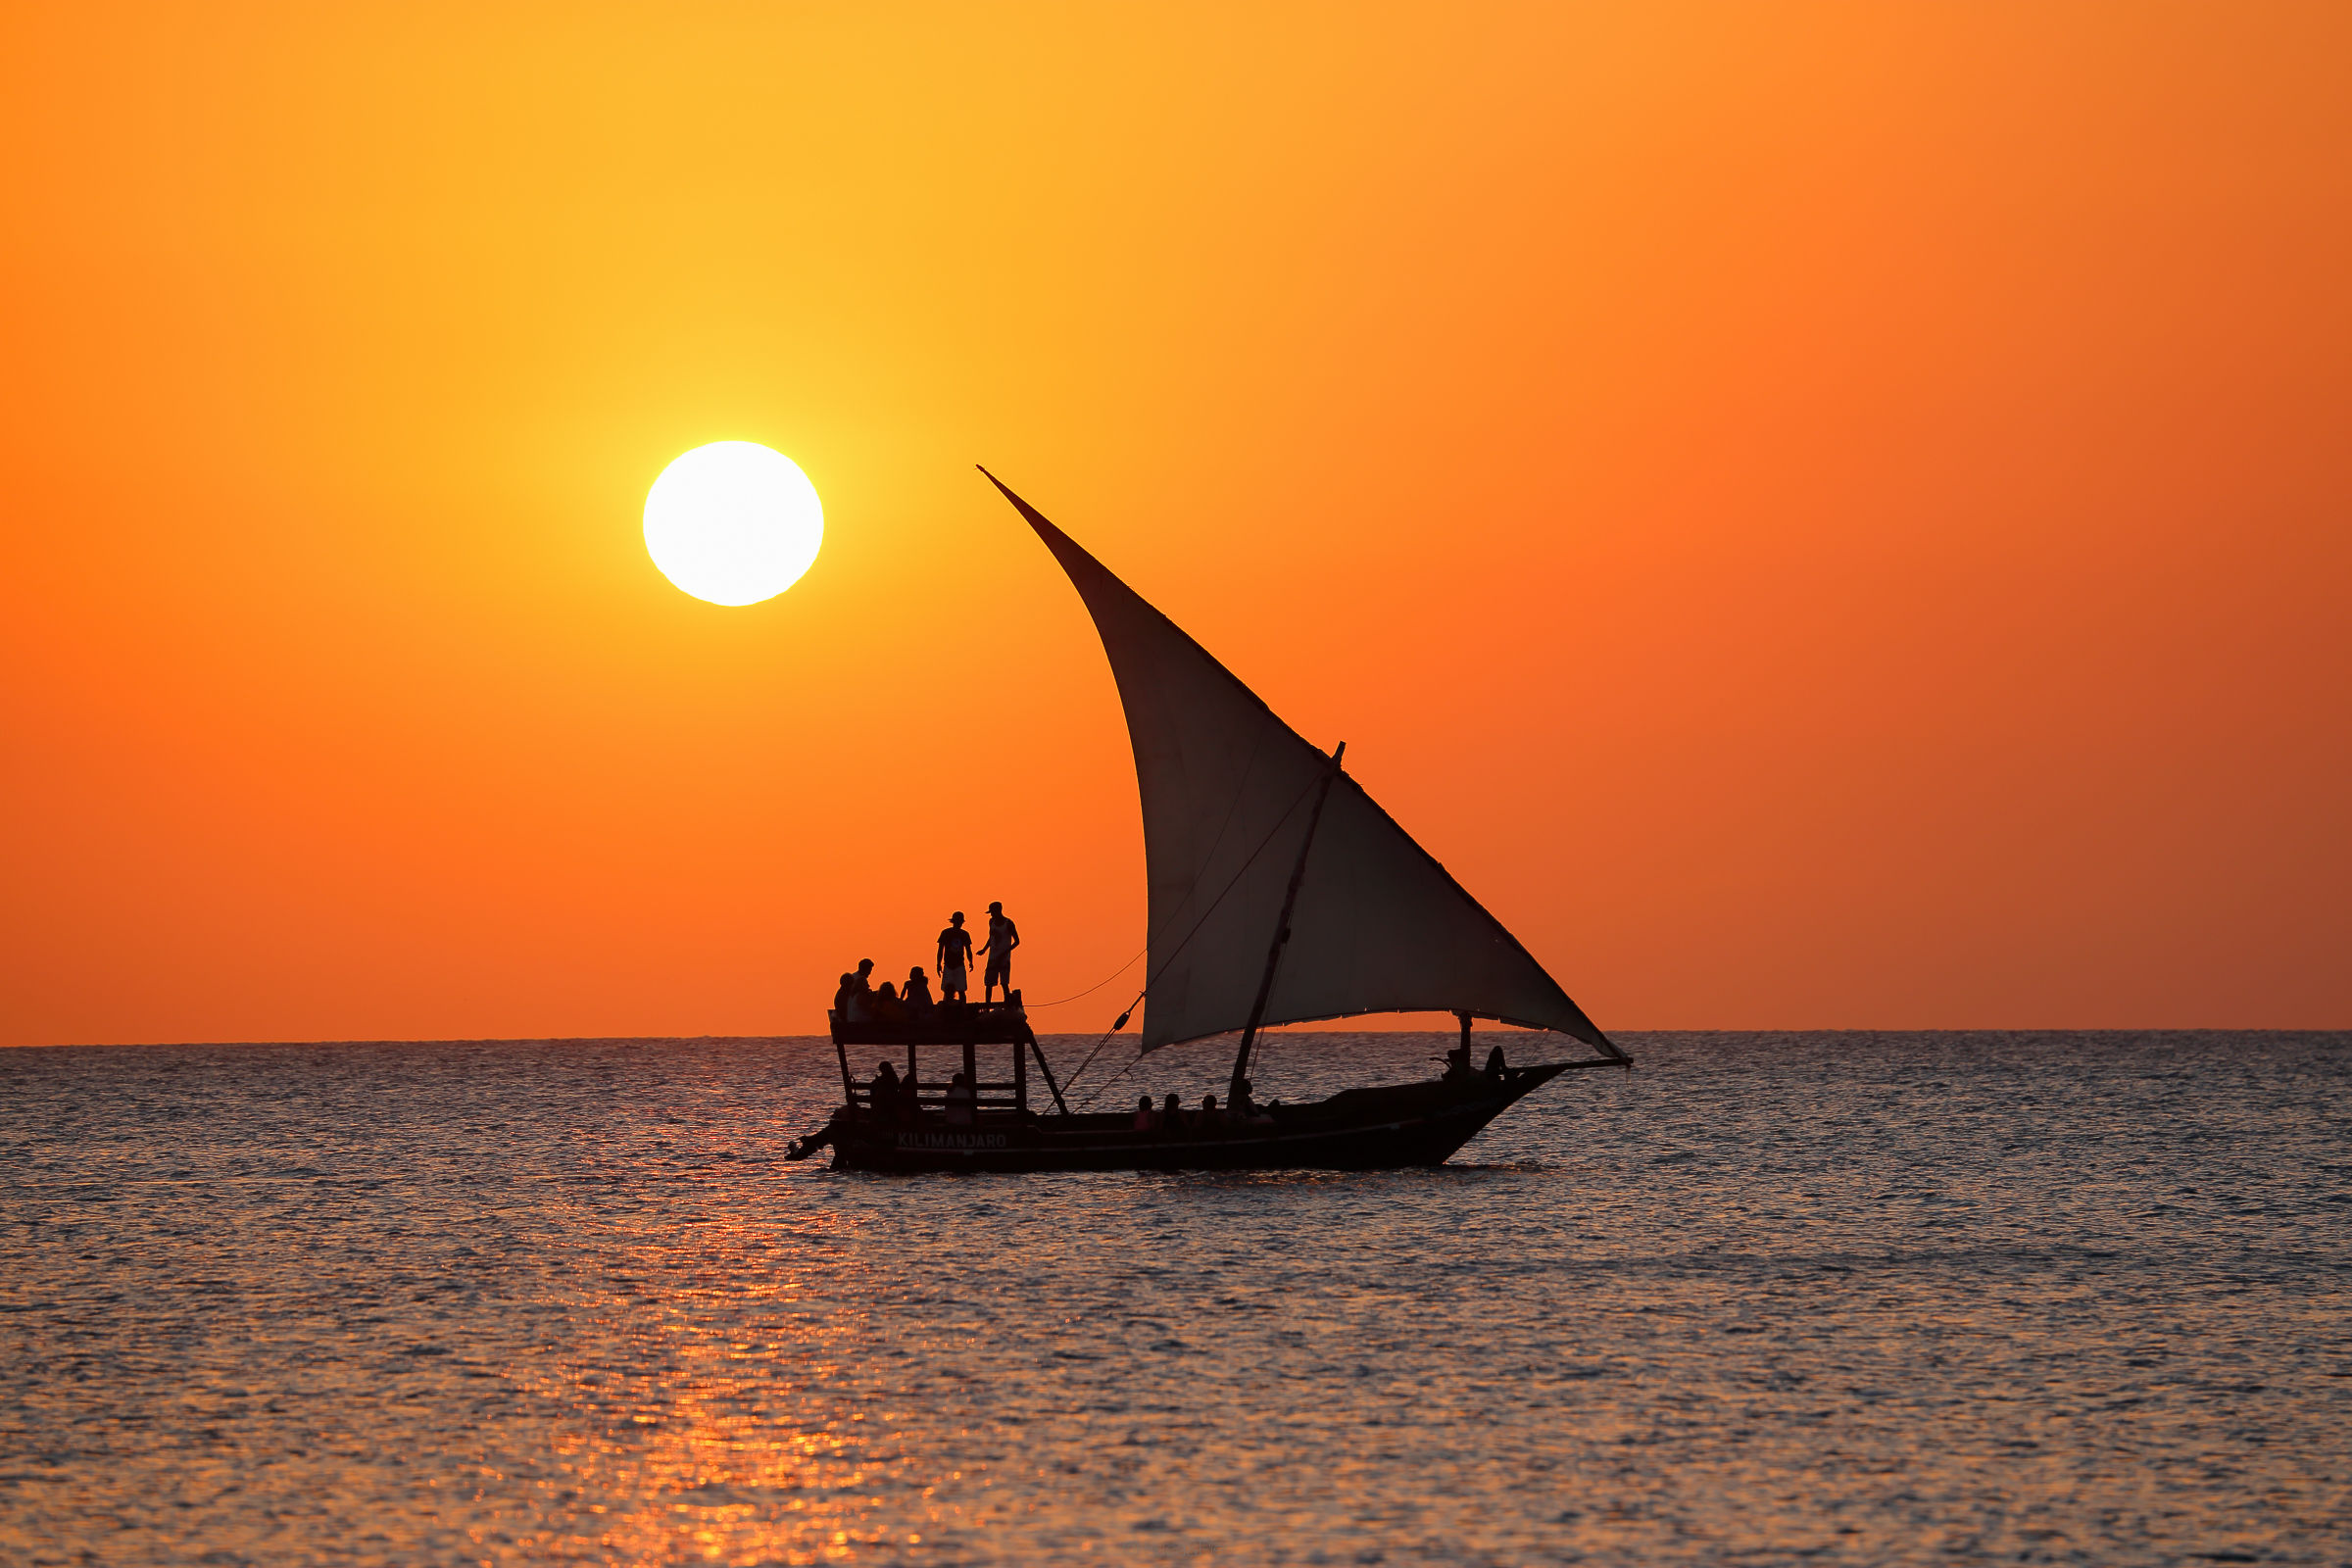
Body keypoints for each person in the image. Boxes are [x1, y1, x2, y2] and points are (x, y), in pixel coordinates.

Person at [980, 901, 1020, 1002]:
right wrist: (984, 949)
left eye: (993, 912)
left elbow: (1017, 941)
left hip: (1004, 958)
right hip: (992, 957)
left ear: (999, 910)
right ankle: (987, 1007)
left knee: (1004, 983)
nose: (992, 914)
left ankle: (1007, 1004)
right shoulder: (991, 922)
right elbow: (991, 938)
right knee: (989, 983)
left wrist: (1006, 952)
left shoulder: (1008, 923)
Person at [936, 913, 974, 1003]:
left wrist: (971, 962)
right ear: (953, 922)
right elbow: (940, 950)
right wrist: (938, 964)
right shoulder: (945, 933)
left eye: (960, 922)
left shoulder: (964, 934)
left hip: (959, 965)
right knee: (947, 991)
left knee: (961, 990)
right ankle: (946, 1010)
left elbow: (968, 950)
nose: (959, 924)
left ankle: (963, 1010)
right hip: (948, 965)